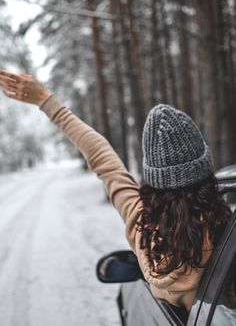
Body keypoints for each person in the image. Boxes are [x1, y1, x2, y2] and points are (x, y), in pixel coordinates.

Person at [0, 69, 232, 312]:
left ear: (153, 179)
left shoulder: (141, 227)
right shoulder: (226, 236)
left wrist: (45, 100)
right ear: (205, 172)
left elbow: (102, 156)